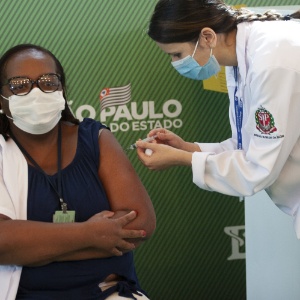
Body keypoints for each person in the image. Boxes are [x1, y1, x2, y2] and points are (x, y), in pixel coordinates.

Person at [0, 43, 156, 300]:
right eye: (20, 84)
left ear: (62, 89)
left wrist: (34, 251)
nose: (36, 92)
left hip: (109, 292)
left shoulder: (95, 138)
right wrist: (92, 235)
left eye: (48, 82)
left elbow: (139, 224)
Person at [136, 0, 300, 236]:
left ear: (207, 37)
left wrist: (184, 159)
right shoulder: (243, 54)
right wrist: (189, 149)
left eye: (177, 54)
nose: (175, 63)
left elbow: (259, 169)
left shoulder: (270, 62)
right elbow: (247, 145)